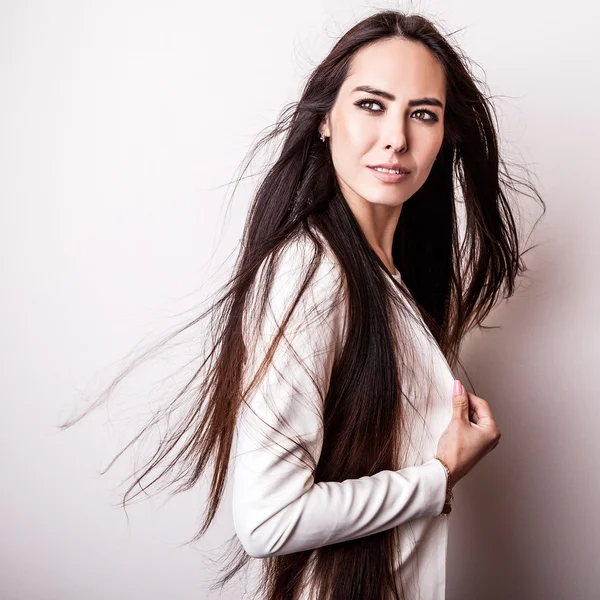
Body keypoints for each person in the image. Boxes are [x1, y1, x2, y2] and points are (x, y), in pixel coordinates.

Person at [59, 9, 545, 600]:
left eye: (422, 114)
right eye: (372, 104)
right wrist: (439, 477)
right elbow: (269, 519)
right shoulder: (312, 273)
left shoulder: (385, 277)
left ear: (445, 137)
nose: (396, 136)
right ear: (324, 121)